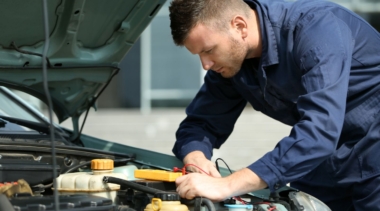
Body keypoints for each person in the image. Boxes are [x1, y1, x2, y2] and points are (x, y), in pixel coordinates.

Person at [168, 0, 380, 210]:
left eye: (209, 50)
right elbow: (200, 124)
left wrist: (227, 185)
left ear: (239, 26)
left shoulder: (317, 29)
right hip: (325, 162)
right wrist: (196, 159)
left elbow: (320, 131)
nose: (206, 64)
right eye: (198, 55)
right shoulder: (231, 63)